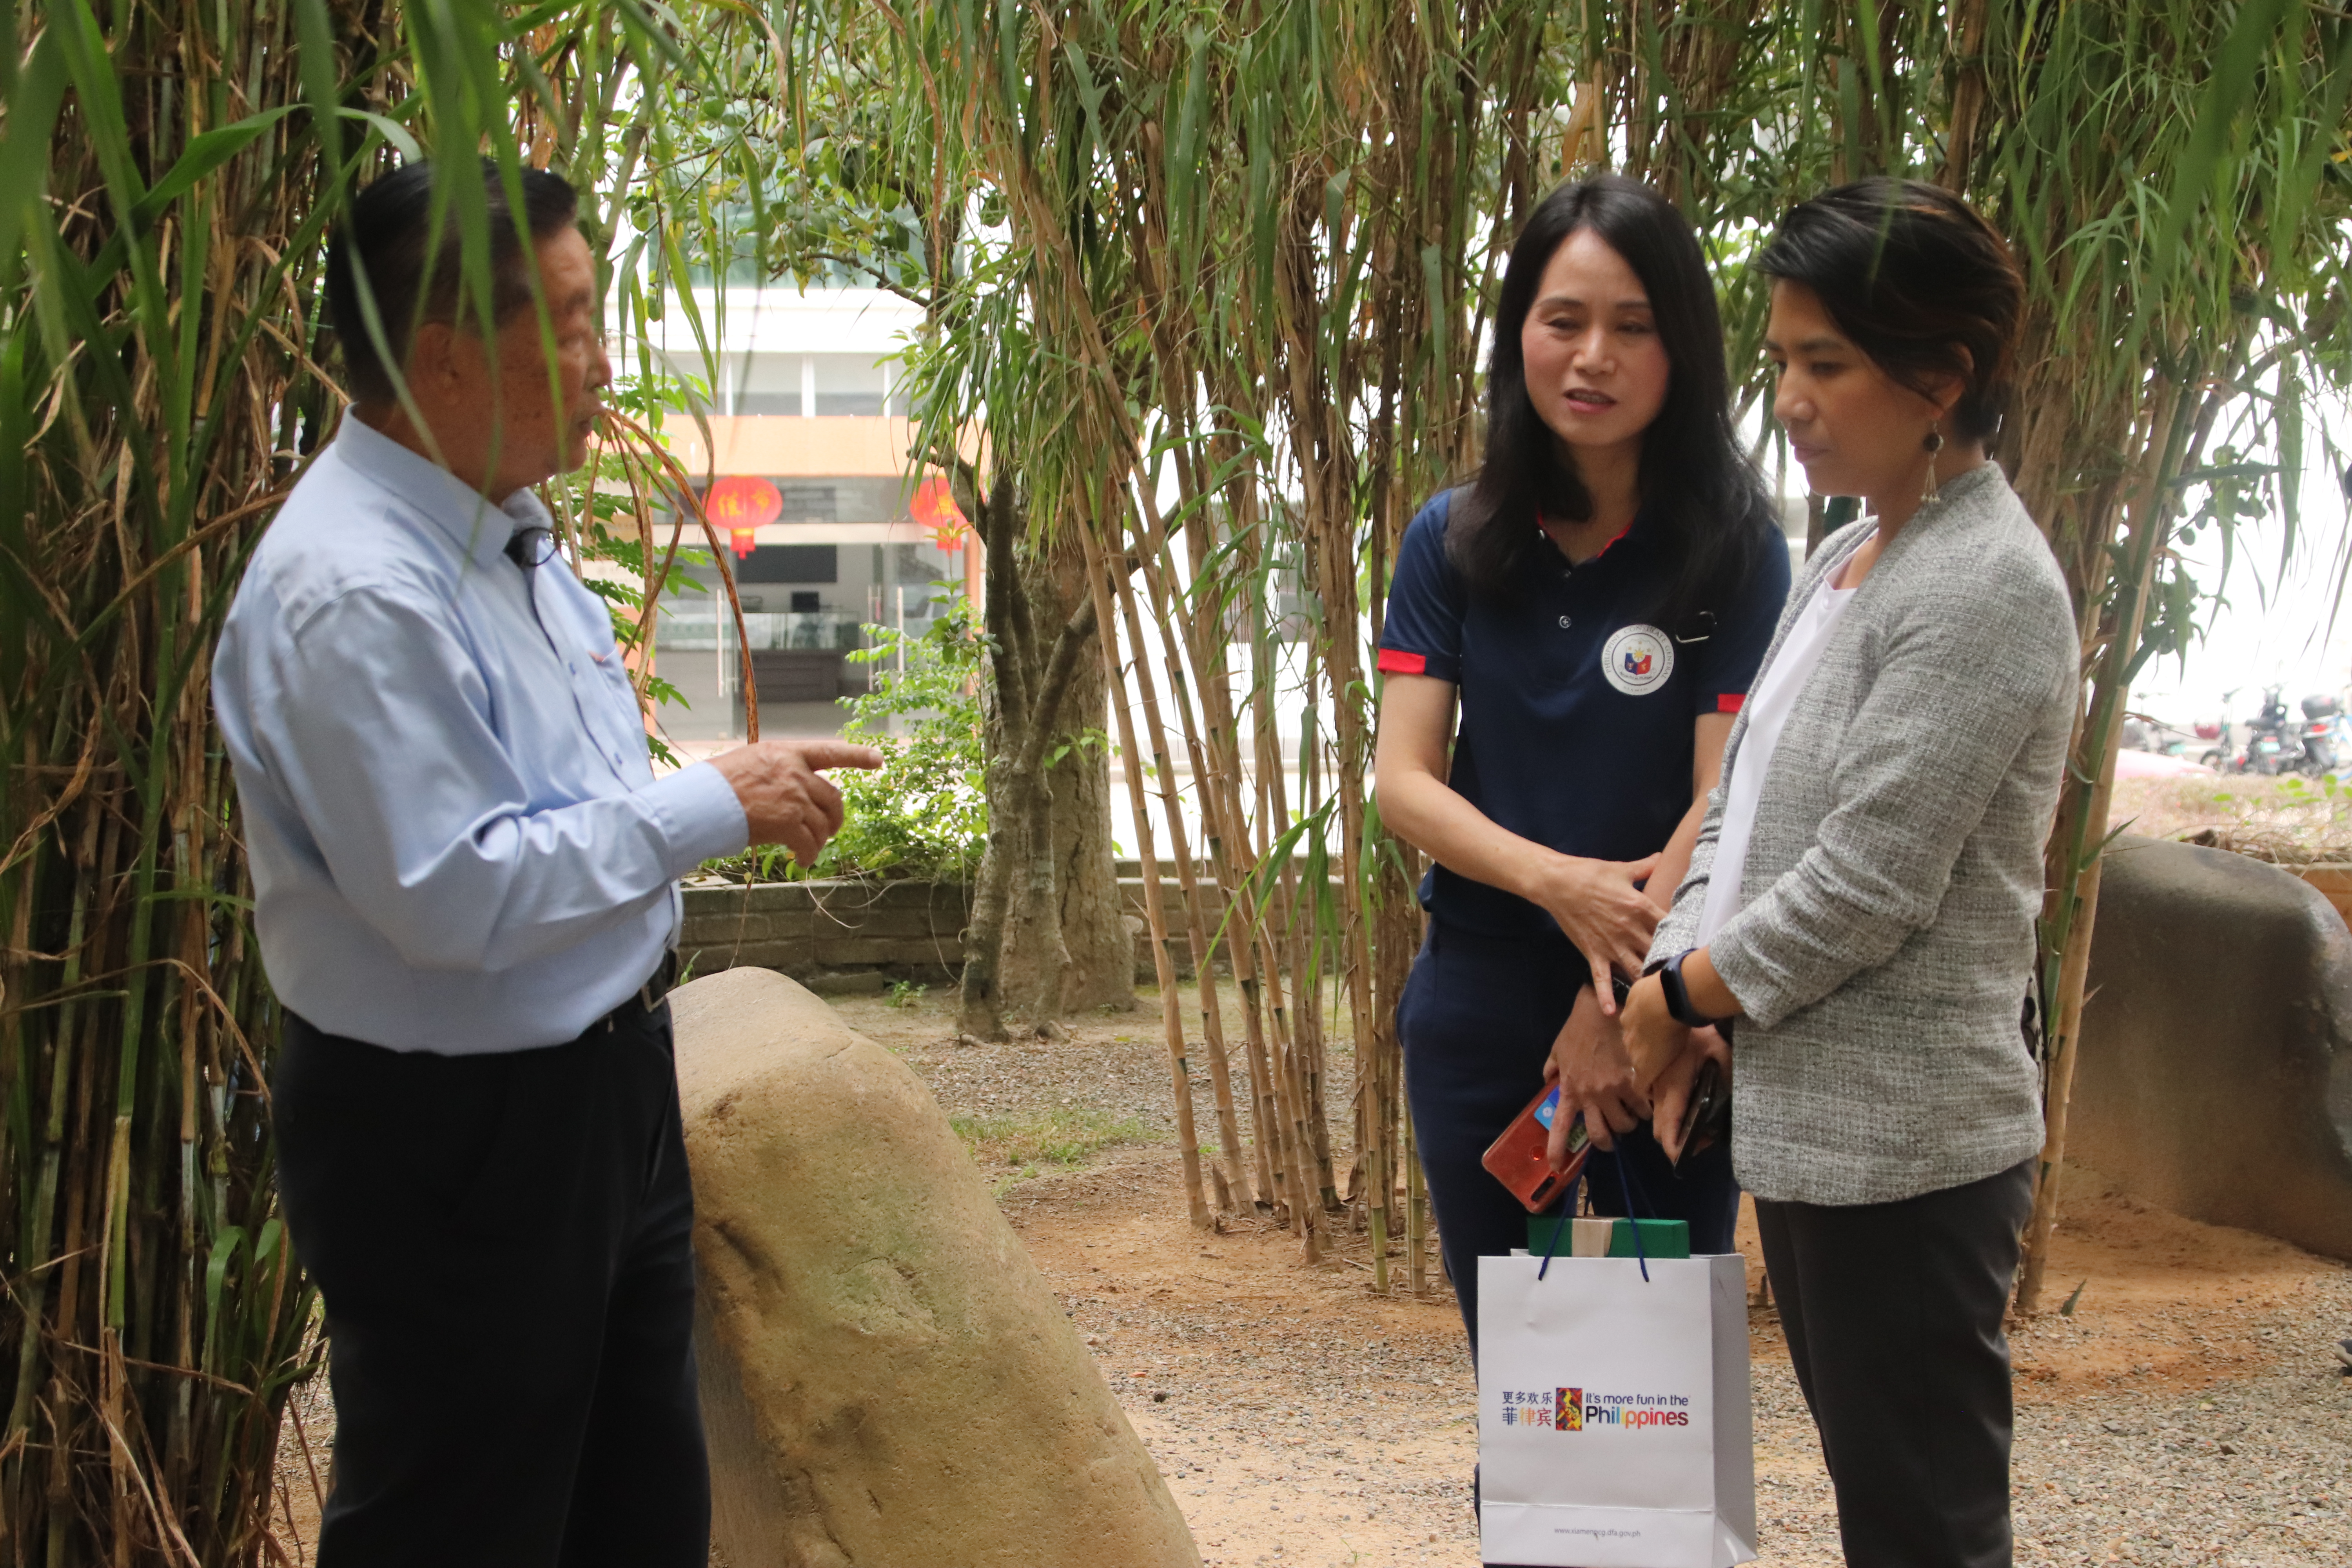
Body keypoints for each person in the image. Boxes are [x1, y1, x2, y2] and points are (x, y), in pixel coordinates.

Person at [212, 160, 880, 1566]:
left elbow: (554, 807)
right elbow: (456, 894)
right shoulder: (357, 591)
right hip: (459, 1139)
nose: (602, 360)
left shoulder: (494, 531)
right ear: (444, 356)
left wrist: (710, 799)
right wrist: (710, 802)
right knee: (461, 1522)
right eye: (570, 323)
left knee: (631, 1520)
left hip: (599, 1096)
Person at [1621, 178, 2076, 1568]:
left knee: (1924, 1523)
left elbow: (1869, 881)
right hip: (1823, 1135)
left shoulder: (1983, 582)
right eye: (1782, 362)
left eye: (1829, 361)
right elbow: (1743, 808)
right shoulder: (1846, 558)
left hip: (1913, 1152)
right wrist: (1669, 966)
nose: (1795, 397)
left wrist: (1684, 994)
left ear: (1942, 375)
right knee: (1886, 1506)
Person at [1371, 172, 1792, 1356]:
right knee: (1523, 1374)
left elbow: (1726, 799)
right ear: (1519, 337)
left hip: (1669, 1007)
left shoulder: (1735, 549)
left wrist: (1618, 999)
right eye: (1564, 320)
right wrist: (1560, 885)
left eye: (1633, 325)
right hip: (1479, 998)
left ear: (1684, 351)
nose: (1592, 356)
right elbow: (1404, 782)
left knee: (1662, 1372)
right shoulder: (1451, 539)